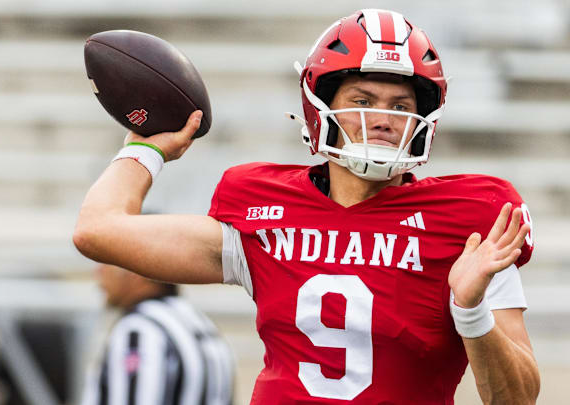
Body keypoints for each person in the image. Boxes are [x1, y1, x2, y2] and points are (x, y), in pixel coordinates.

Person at [74, 9, 539, 404]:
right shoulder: (263, 208)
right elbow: (97, 230)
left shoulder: (470, 222)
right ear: (320, 108)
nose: (382, 120)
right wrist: (146, 149)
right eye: (362, 100)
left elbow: (517, 397)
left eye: (401, 106)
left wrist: (470, 309)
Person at [80, 262, 235, 405]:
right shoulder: (201, 322)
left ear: (135, 267)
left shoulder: (138, 329)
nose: (99, 270)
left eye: (108, 260)